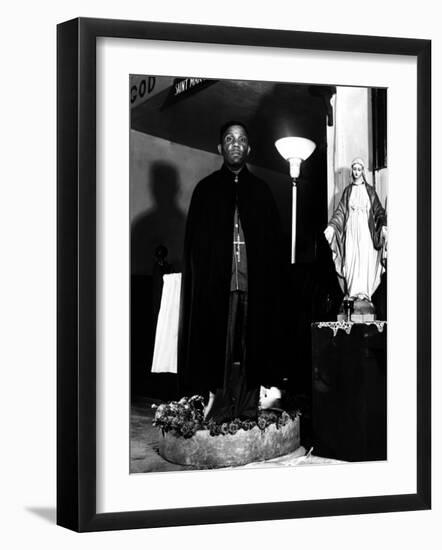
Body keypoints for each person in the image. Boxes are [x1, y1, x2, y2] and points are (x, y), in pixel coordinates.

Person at [178, 121, 283, 423]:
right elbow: (197, 248)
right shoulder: (206, 191)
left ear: (249, 148)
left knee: (252, 349)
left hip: (254, 286)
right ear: (220, 148)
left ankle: (249, 409)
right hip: (217, 288)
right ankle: (219, 409)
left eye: (241, 139)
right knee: (220, 349)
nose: (235, 144)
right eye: (229, 139)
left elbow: (272, 248)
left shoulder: (262, 192)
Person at [324, 157, 387, 314]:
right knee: (352, 260)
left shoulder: (370, 191)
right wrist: (332, 227)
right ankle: (352, 294)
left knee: (363, 260)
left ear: (362, 171)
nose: (357, 172)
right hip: (351, 232)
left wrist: (384, 225)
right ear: (352, 171)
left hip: (365, 232)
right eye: (354, 169)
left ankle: (364, 296)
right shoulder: (347, 191)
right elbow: (340, 213)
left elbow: (378, 212)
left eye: (359, 169)